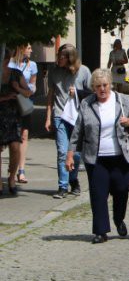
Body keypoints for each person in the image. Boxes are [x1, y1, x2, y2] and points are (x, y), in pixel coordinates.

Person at [66, 69, 129, 243]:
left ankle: (118, 218)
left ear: (111, 85)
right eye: (98, 86)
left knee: (121, 190)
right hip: (96, 158)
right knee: (98, 194)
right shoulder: (87, 104)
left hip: (121, 156)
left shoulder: (122, 101)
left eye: (105, 85)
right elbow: (78, 130)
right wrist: (70, 154)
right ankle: (100, 231)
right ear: (93, 87)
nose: (102, 89)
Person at [45, 44, 92, 198]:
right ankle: (63, 186)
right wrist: (48, 117)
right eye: (58, 56)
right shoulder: (54, 71)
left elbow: (92, 94)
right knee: (62, 152)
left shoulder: (83, 71)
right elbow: (50, 95)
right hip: (60, 116)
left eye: (62, 57)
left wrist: (78, 92)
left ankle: (73, 179)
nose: (58, 59)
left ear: (70, 58)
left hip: (77, 117)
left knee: (76, 153)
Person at [0, 52, 30, 195]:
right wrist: (5, 98)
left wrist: (17, 88)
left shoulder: (16, 74)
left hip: (13, 117)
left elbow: (28, 93)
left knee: (15, 148)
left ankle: (12, 177)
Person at [7, 44, 37, 184]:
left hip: (24, 104)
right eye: (28, 48)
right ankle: (10, 174)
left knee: (23, 137)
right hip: (7, 108)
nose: (31, 50)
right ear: (21, 49)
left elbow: (32, 85)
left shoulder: (32, 65)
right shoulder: (10, 64)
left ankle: (21, 170)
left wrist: (22, 89)